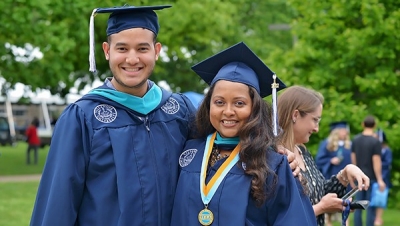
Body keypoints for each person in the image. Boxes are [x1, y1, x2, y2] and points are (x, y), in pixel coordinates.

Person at [30, 4, 197, 226]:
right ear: (107, 51)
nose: (132, 59)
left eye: (142, 49)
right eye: (122, 49)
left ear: (157, 51)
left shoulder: (179, 111)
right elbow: (58, 201)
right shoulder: (83, 117)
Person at [171, 42, 316, 225]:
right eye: (219, 102)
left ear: (254, 109)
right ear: (208, 106)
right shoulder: (189, 152)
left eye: (239, 103)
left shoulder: (273, 164)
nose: (228, 111)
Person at [277, 85, 370, 226]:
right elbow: (277, 218)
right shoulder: (274, 158)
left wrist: (344, 175)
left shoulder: (303, 152)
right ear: (295, 115)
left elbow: (318, 192)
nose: (316, 129)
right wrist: (320, 208)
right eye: (315, 120)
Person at [315, 121, 352, 225]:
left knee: (346, 203)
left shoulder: (349, 145)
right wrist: (330, 161)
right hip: (332, 177)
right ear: (336, 132)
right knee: (330, 207)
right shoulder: (327, 144)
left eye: (345, 131)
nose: (345, 133)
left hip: (346, 180)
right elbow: (319, 160)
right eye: (342, 130)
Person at [351, 115, 386, 226]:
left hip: (358, 176)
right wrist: (380, 179)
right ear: (374, 125)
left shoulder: (355, 139)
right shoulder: (375, 142)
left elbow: (353, 159)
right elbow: (376, 161)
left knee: (358, 205)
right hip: (371, 177)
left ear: (363, 124)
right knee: (370, 206)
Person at [373, 129, 392, 226]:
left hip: (383, 177)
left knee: (380, 200)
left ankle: (378, 218)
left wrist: (378, 164)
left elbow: (387, 165)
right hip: (372, 176)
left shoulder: (386, 150)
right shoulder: (373, 148)